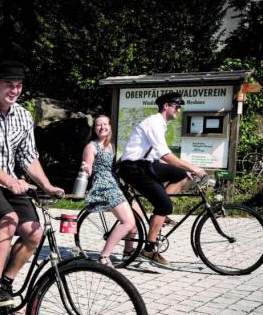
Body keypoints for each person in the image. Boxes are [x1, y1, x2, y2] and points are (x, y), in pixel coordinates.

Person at [0, 60, 65, 308]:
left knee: (34, 231)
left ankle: (6, 284)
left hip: (8, 183)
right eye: (9, 84)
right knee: (8, 220)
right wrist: (9, 180)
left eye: (18, 86)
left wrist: (47, 186)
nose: (14, 90)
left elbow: (29, 157)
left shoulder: (23, 116)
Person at [118, 91, 205, 265]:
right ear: (166, 106)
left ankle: (160, 214)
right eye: (177, 107)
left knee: (180, 175)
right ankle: (149, 250)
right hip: (133, 168)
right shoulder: (154, 123)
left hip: (145, 164)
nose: (179, 111)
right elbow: (166, 155)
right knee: (165, 204)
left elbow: (157, 153)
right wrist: (192, 166)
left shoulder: (161, 124)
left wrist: (183, 170)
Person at [80, 115, 138, 268]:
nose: (102, 127)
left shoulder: (110, 145)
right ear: (94, 129)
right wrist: (86, 169)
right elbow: (89, 169)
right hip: (104, 185)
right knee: (128, 222)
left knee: (135, 221)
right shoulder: (91, 147)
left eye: (105, 124)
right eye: (98, 125)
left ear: (110, 127)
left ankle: (128, 250)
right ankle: (104, 256)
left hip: (114, 183)